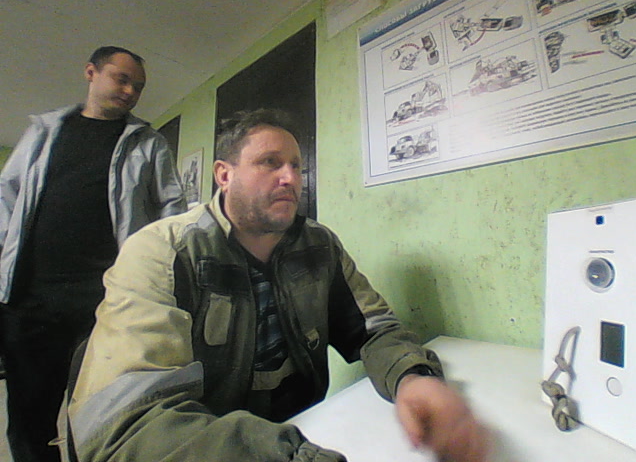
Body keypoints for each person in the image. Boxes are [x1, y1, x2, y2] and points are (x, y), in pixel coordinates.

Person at [68, 108, 489, 462]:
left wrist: (413, 378)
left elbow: (373, 329)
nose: (290, 177)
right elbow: (129, 424)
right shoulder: (163, 250)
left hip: (303, 427)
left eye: (296, 166)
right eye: (270, 162)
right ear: (224, 175)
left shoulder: (319, 245)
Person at [0, 46, 187, 462]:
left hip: (106, 304)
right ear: (91, 72)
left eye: (138, 86)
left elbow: (172, 210)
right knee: (29, 417)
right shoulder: (43, 133)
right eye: (122, 79)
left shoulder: (148, 143)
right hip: (30, 301)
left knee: (102, 414)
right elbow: (6, 197)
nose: (130, 91)